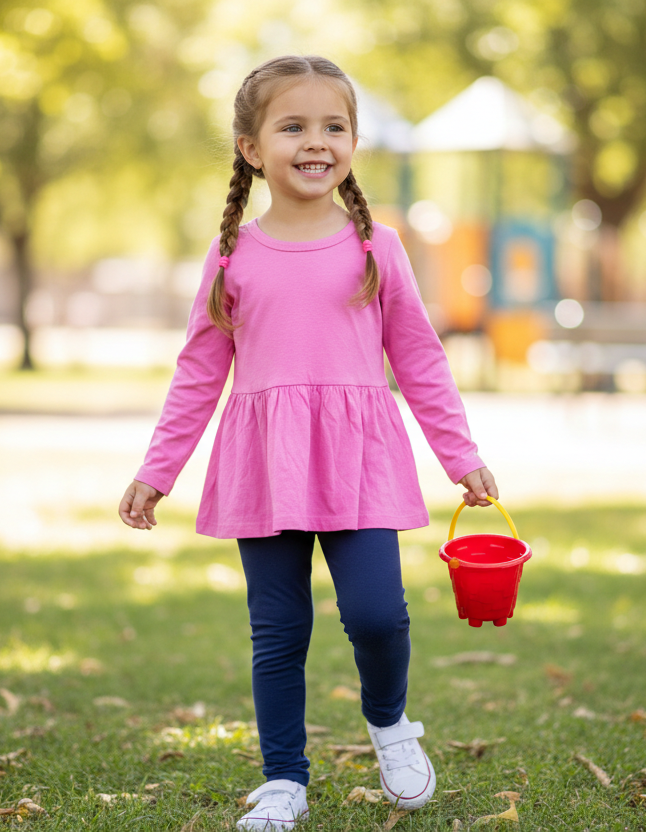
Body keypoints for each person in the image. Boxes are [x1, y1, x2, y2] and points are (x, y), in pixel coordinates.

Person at [118, 54, 498, 831]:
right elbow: (199, 369)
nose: (316, 140)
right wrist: (159, 470)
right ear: (252, 148)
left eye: (334, 126)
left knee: (378, 616)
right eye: (293, 125)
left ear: (353, 141)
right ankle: (285, 777)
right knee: (280, 629)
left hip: (358, 460)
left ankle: (390, 723)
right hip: (266, 465)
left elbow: (419, 358)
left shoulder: (376, 245)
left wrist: (461, 457)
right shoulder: (233, 255)